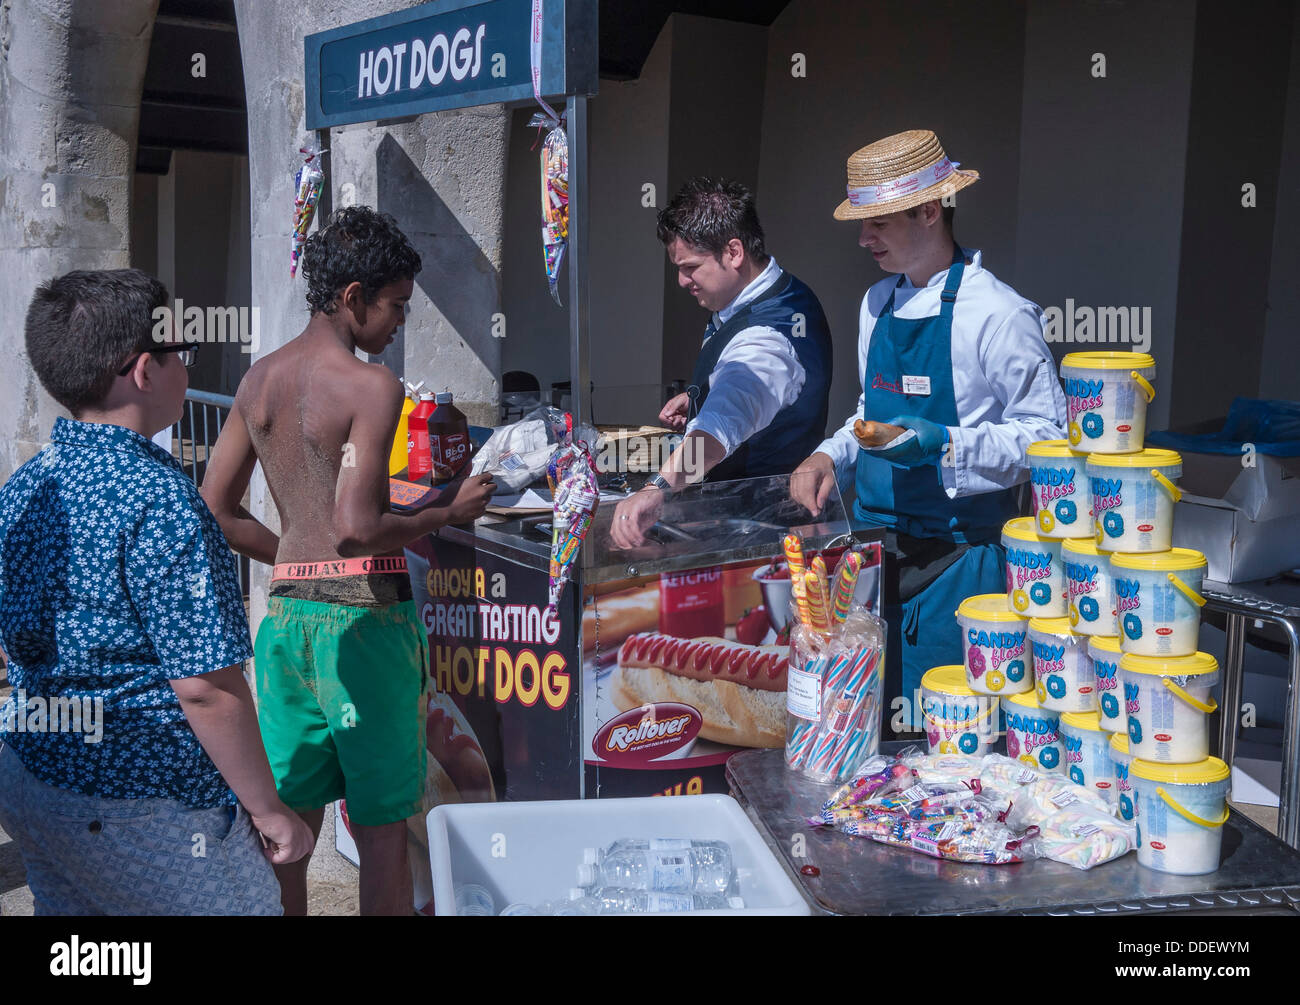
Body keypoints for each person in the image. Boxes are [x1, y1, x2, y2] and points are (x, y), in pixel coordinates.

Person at [200, 206, 496, 915]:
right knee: (383, 825)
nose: (400, 323)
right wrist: (446, 514)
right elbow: (357, 528)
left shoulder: (257, 382)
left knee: (292, 827)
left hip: (286, 629)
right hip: (365, 631)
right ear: (354, 297)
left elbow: (217, 507)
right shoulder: (371, 387)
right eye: (394, 306)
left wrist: (292, 560)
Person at [0, 269, 313, 915]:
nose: (186, 368)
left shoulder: (28, 482)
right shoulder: (158, 498)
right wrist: (267, 808)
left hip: (35, 775)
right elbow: (203, 685)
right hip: (145, 801)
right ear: (144, 370)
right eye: (181, 354)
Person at [792, 130, 1066, 728]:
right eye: (862, 225)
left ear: (928, 210)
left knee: (947, 750)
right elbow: (869, 415)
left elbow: (1050, 438)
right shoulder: (875, 303)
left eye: (879, 224)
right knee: (865, 740)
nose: (864, 239)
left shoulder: (998, 313)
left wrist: (947, 444)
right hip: (873, 563)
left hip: (960, 567)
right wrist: (828, 455)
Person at [611, 177, 833, 549]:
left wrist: (657, 488)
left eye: (691, 267)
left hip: (761, 532)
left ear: (734, 252)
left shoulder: (767, 337)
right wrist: (700, 396)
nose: (682, 281)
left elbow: (719, 429)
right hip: (741, 516)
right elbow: (743, 393)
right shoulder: (766, 294)